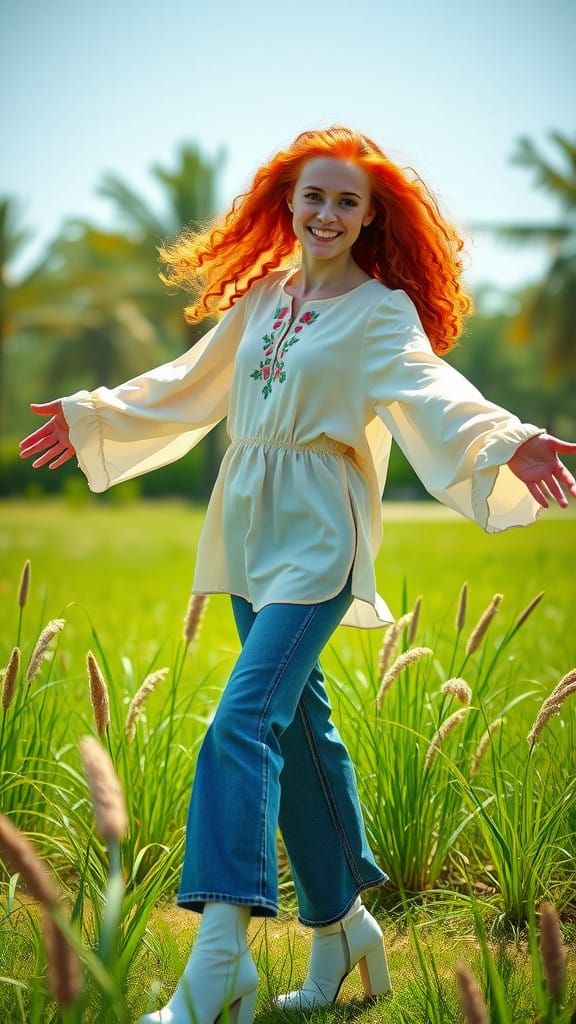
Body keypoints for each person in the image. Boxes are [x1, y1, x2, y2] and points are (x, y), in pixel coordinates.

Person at [20, 126, 576, 1024]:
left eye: (347, 202)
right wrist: (96, 414)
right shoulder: (262, 299)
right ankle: (341, 926)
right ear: (289, 202)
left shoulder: (380, 310)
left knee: (242, 722)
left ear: (368, 218)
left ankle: (217, 965)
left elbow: (434, 390)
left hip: (320, 534)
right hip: (245, 526)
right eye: (314, 196)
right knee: (302, 731)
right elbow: (188, 380)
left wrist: (507, 439)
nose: (327, 213)